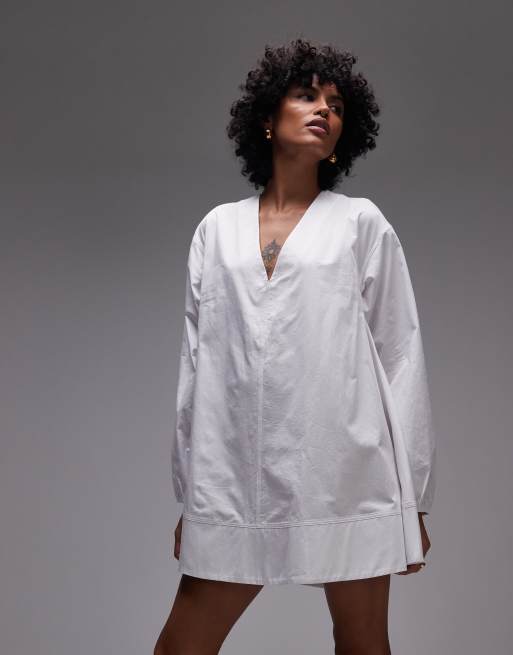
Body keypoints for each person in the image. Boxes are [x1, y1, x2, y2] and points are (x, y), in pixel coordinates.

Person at [155, 37, 436, 655]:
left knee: (362, 644)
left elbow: (401, 357)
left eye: (336, 105)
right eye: (307, 96)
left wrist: (412, 498)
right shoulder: (216, 229)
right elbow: (196, 367)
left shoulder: (361, 223)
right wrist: (192, 495)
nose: (324, 110)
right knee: (181, 646)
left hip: (347, 473)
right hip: (234, 477)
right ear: (266, 116)